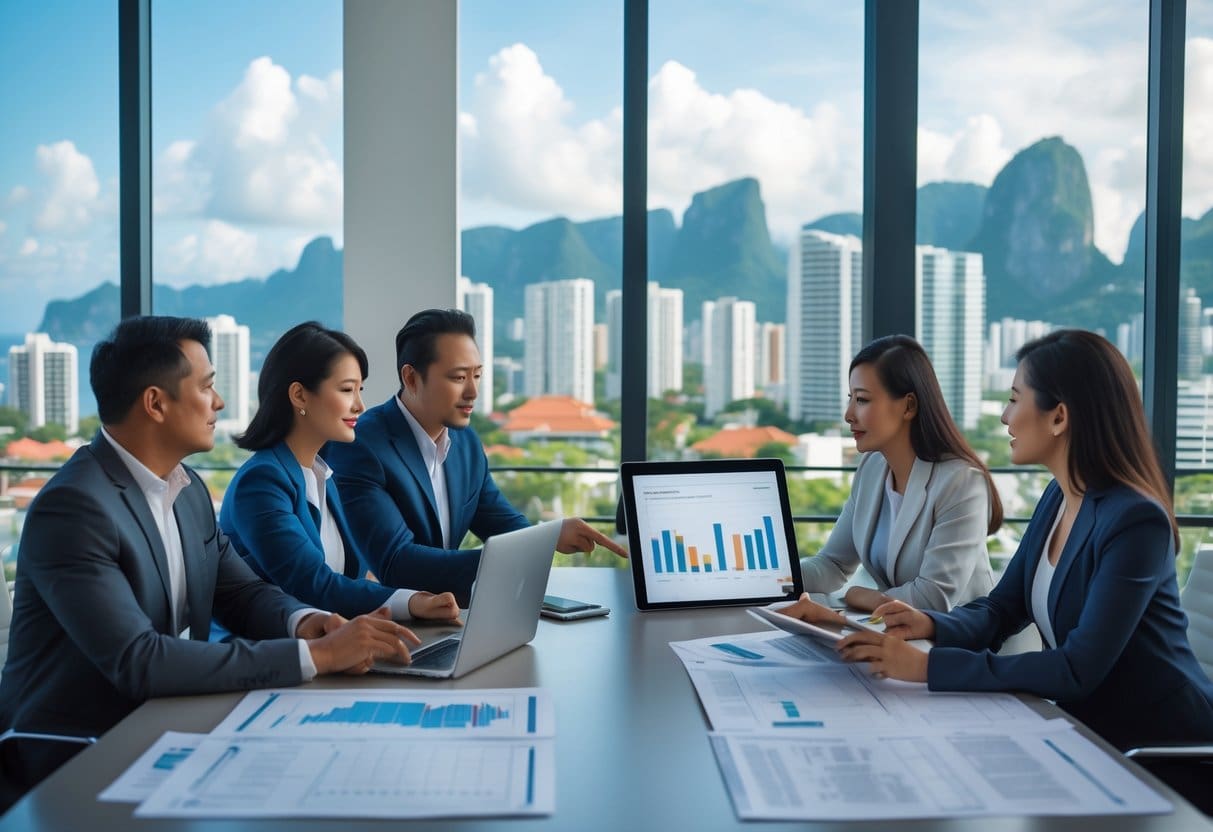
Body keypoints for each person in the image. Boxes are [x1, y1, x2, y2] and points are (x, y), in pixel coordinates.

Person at [0, 317, 418, 807]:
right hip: (71, 754)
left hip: (164, 725)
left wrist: (308, 623)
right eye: (207, 387)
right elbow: (139, 660)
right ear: (156, 403)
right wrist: (319, 657)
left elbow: (240, 592)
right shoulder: (74, 508)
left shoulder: (187, 489)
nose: (219, 403)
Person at [783, 329, 1213, 753]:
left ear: (1059, 416)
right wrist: (930, 624)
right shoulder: (1058, 498)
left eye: (1013, 399)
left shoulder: (1135, 521)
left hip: (1160, 747)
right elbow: (1002, 607)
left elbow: (1078, 667)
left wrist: (927, 666)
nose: (1005, 417)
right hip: (1084, 730)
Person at [326, 308, 627, 602]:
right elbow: (396, 562)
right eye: (458, 378)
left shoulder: (466, 442)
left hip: (451, 619)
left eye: (478, 376)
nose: (473, 392)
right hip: (384, 623)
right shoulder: (361, 444)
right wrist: (509, 559)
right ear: (412, 378)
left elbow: (502, 525)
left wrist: (549, 537)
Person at [219, 322, 460, 622]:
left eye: (360, 390)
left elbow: (348, 578)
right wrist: (411, 602)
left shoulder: (324, 479)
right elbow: (311, 584)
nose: (359, 405)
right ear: (299, 396)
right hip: (270, 658)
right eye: (347, 390)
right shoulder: (261, 482)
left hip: (332, 649)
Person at [800, 335, 1002, 612]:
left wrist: (858, 596)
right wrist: (773, 577)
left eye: (862, 400)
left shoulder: (961, 481)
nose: (848, 414)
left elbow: (932, 598)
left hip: (962, 644)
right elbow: (833, 564)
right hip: (897, 634)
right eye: (851, 398)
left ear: (908, 406)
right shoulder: (872, 468)